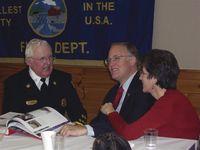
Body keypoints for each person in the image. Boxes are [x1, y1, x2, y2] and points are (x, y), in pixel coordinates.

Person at [101, 49, 200, 140]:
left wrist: (111, 112)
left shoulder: (168, 102)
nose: (140, 78)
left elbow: (127, 134)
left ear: (155, 77)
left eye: (143, 73)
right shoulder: (173, 98)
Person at [59, 42, 155, 136]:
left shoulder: (143, 88)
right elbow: (100, 121)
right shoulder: (114, 91)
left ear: (132, 60)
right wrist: (79, 128)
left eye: (116, 58)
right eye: (108, 60)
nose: (111, 65)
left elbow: (128, 126)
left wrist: (87, 130)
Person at [3, 38, 87, 125]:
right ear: (29, 61)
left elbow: (78, 114)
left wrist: (75, 127)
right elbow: (10, 120)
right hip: (27, 136)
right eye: (42, 59)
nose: (48, 63)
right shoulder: (14, 84)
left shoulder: (63, 79)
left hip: (58, 134)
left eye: (50, 57)